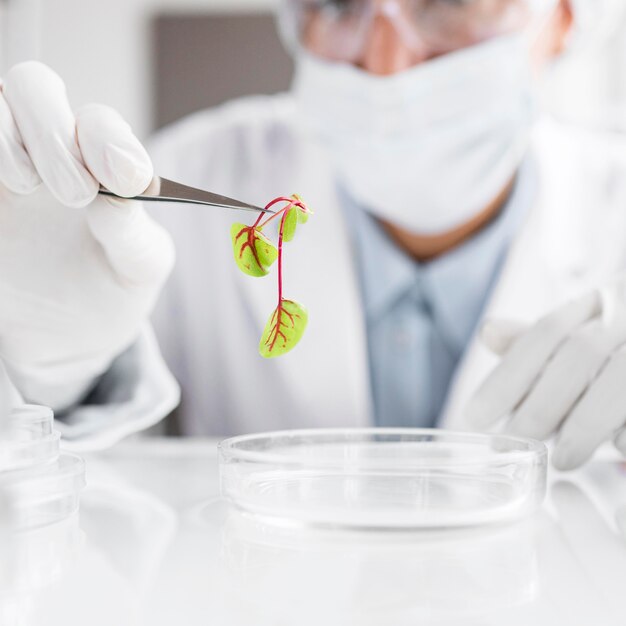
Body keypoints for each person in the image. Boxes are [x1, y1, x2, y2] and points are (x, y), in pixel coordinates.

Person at [1, 0, 626, 469]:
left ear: (569, 15)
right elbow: (81, 508)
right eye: (336, 2)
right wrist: (51, 373)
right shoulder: (181, 186)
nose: (386, 65)